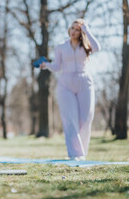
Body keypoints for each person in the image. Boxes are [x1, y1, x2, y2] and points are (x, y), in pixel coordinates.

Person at [40, 19, 101, 161]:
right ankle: (75, 154)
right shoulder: (61, 47)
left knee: (86, 119)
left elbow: (97, 48)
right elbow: (56, 67)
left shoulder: (86, 46)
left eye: (78, 29)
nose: (74, 31)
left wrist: (87, 30)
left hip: (84, 82)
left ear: (82, 32)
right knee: (69, 119)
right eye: (72, 28)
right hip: (65, 84)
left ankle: (82, 154)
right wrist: (46, 65)